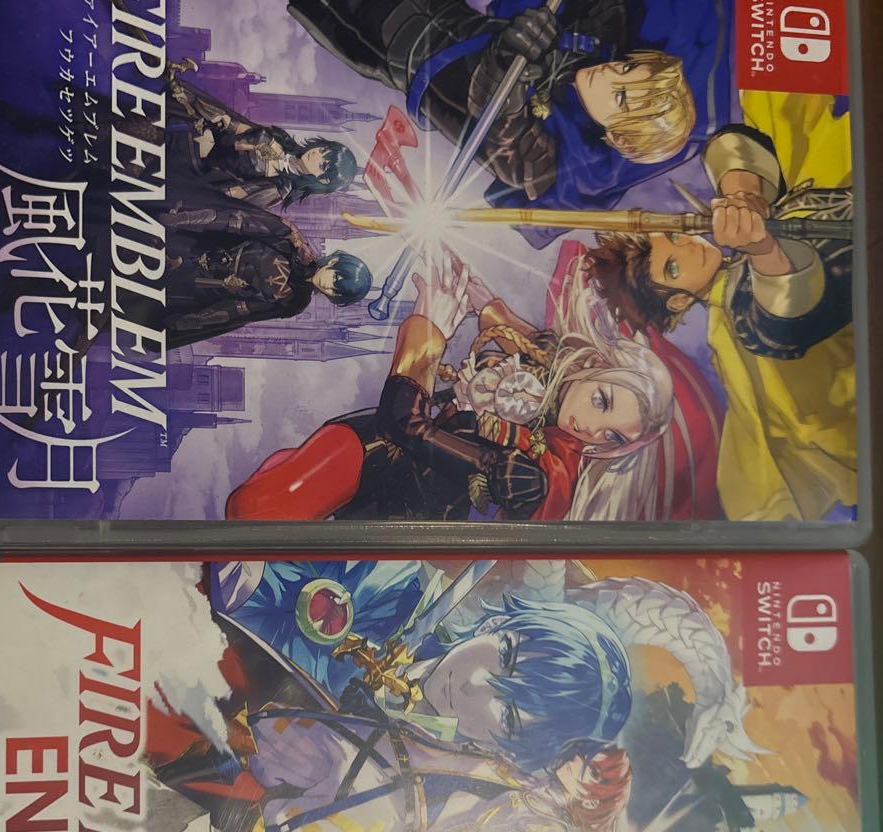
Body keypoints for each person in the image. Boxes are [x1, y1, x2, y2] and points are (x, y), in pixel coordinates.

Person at [226, 250, 675, 521]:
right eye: (601, 401)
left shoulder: (537, 476)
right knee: (277, 487)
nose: (591, 429)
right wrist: (483, 304)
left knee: (262, 511)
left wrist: (428, 335)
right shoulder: (555, 370)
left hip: (400, 500)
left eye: (613, 437)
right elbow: (534, 344)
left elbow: (406, 426)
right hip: (375, 448)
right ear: (592, 367)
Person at [585, 92, 855, 520]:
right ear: (678, 300)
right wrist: (763, 249)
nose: (688, 246)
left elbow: (730, 145)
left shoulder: (737, 248)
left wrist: (744, 193)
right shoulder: (732, 316)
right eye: (673, 267)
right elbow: (782, 318)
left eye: (675, 239)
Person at [288, 0, 730, 233]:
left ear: (620, 137)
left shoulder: (547, 163)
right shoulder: (602, 37)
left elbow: (503, 131)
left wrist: (506, 63)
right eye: (628, 69)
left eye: (621, 97)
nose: (613, 72)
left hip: (395, 45)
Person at [162, 193, 372, 348]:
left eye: (335, 291)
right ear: (334, 262)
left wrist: (196, 321)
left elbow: (243, 310)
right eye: (335, 278)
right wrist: (184, 220)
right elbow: (239, 222)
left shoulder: (296, 302)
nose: (328, 285)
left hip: (196, 287)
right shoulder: (292, 241)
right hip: (195, 243)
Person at [166, 60, 358, 209]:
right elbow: (230, 123)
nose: (316, 154)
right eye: (323, 150)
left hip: (186, 165)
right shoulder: (282, 139)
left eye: (323, 164)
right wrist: (190, 100)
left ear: (323, 180)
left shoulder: (278, 188)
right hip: (191, 131)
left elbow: (224, 195)